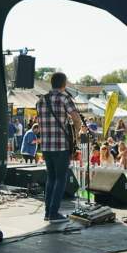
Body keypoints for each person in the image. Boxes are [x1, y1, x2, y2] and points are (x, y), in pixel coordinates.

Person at [37, 72, 81, 223]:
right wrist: (75, 133)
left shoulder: (41, 100)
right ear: (64, 84)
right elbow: (76, 119)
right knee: (61, 179)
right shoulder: (64, 97)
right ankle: (54, 213)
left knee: (51, 178)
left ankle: (48, 212)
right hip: (61, 145)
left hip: (46, 146)